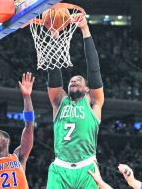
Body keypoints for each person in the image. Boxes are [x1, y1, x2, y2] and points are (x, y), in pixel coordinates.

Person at [46, 14, 104, 189]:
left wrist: (85, 29)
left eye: (79, 79)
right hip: (59, 168)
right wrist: (54, 37)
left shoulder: (93, 103)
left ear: (87, 89)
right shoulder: (59, 101)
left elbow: (94, 70)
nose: (74, 80)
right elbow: (54, 72)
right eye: (71, 80)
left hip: (86, 168)